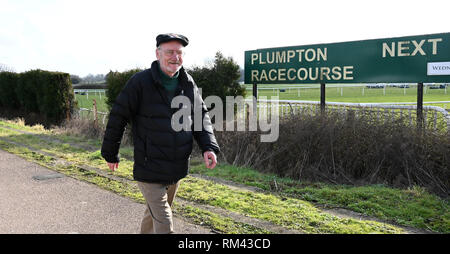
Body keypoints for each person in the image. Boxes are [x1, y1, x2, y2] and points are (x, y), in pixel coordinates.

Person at [101, 33, 220, 234]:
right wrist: (110, 153)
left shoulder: (187, 82)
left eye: (179, 53)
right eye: (170, 52)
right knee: (164, 222)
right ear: (158, 54)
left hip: (177, 166)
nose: (175, 57)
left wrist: (209, 146)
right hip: (149, 167)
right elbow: (118, 117)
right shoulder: (140, 82)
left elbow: (200, 116)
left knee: (154, 214)